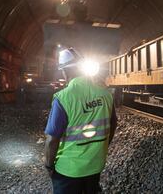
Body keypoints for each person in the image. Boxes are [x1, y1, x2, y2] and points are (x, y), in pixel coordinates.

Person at [44, 48, 117, 194]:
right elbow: (113, 124)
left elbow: (52, 139)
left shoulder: (63, 98)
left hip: (68, 170)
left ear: (64, 71)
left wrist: (49, 165)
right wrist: (100, 149)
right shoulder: (106, 94)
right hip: (96, 164)